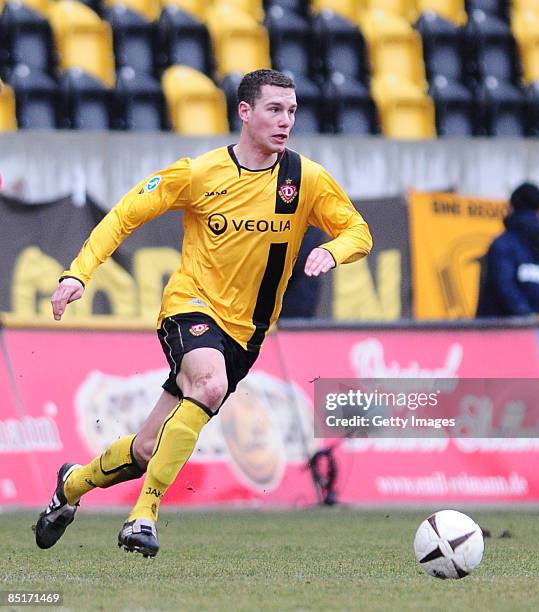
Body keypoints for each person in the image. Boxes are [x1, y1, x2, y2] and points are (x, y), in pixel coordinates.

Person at [34, 69, 372, 557]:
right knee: (209, 385)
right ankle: (144, 514)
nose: (285, 122)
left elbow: (358, 231)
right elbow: (127, 212)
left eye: (292, 111)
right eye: (275, 110)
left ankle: (70, 486)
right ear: (245, 112)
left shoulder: (306, 180)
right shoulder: (199, 172)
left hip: (246, 335)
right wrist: (77, 274)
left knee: (148, 449)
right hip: (188, 307)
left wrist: (335, 251)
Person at [476, 181, 539, 317]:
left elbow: (506, 291)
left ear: (511, 207)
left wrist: (527, 321)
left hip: (500, 334)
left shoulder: (502, 245)